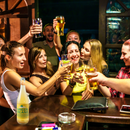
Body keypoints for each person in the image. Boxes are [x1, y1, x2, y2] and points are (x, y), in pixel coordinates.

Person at [0, 41, 71, 113]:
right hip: (27, 119)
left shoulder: (9, 73)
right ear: (8, 57)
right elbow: (38, 92)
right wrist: (58, 73)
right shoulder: (9, 74)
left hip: (30, 115)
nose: (24, 58)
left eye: (24, 54)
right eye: (20, 55)